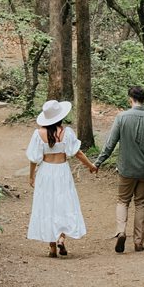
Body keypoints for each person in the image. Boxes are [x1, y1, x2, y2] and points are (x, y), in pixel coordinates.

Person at [94, 85, 144, 253]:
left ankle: (121, 232)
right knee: (141, 204)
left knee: (123, 201)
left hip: (126, 169)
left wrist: (98, 162)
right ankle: (139, 242)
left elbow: (110, 143)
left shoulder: (121, 118)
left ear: (130, 99)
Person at [26, 98, 97, 257]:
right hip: (62, 172)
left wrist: (31, 177)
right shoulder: (67, 132)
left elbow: (33, 159)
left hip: (45, 172)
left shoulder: (38, 134)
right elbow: (77, 153)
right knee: (64, 204)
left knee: (47, 205)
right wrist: (90, 165)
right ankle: (61, 238)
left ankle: (52, 247)